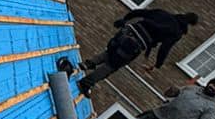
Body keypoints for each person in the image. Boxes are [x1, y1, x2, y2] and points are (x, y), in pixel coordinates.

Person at [58, 8, 200, 97]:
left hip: (127, 31)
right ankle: (86, 83)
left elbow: (140, 12)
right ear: (190, 25)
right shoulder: (176, 32)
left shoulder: (163, 13)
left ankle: (82, 66)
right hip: (135, 44)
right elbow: (165, 48)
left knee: (110, 52)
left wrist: (124, 19)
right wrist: (157, 65)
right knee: (113, 64)